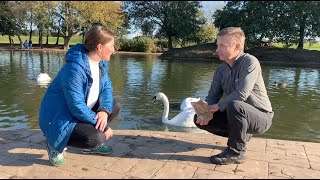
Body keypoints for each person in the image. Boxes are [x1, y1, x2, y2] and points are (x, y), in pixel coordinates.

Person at [38, 25, 121, 166]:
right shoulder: (74, 69)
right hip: (61, 119)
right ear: (100, 47)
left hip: (79, 112)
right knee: (96, 138)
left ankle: (89, 147)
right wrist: (105, 126)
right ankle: (54, 145)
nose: (114, 50)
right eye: (111, 46)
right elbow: (75, 106)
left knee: (114, 105)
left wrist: (104, 111)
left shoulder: (100, 64)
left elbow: (107, 89)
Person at [194, 27, 273, 165]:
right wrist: (204, 112)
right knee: (198, 119)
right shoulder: (221, 69)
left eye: (222, 46)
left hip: (262, 117)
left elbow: (241, 94)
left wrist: (217, 106)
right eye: (217, 45)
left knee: (235, 104)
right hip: (237, 113)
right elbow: (212, 96)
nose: (217, 50)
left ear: (237, 46)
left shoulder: (250, 62)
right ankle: (241, 136)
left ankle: (237, 152)